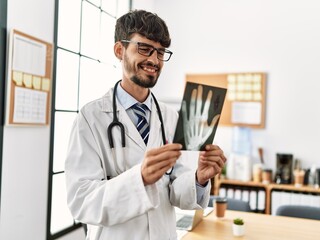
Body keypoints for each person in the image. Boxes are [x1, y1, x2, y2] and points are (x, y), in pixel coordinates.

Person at [65, 9, 226, 240]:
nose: (154, 60)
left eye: (160, 52)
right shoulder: (91, 118)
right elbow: (81, 201)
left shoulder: (171, 117)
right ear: (119, 50)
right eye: (144, 49)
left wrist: (199, 178)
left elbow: (175, 192)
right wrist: (138, 178)